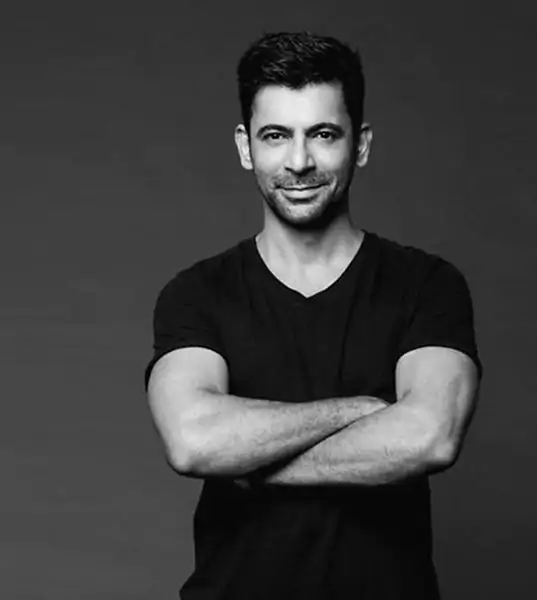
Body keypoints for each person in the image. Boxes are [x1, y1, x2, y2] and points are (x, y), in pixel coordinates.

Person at [144, 31, 483, 600]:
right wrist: (362, 411)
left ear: (361, 145)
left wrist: (250, 462)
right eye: (276, 136)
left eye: (323, 134)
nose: (299, 162)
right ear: (246, 147)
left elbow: (430, 436)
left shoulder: (426, 285)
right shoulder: (197, 294)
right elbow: (194, 441)